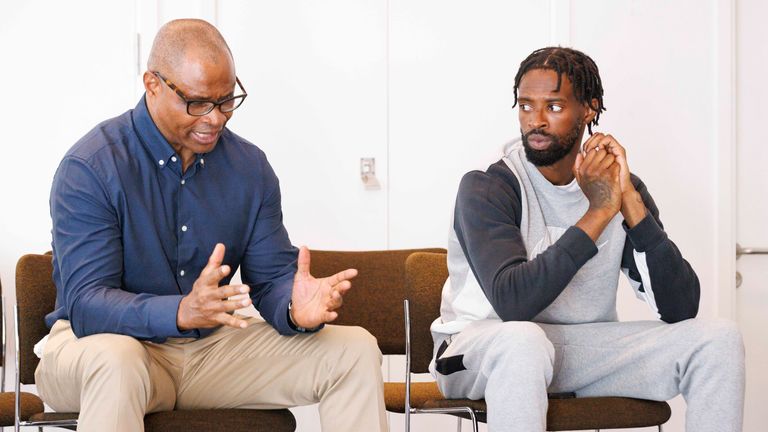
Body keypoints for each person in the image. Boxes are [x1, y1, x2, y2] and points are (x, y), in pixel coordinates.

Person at [38, 19, 387, 432]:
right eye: (199, 102)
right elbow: (87, 305)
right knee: (118, 361)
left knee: (355, 350)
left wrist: (294, 309)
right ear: (152, 84)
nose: (216, 118)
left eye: (226, 101)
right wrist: (181, 311)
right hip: (97, 350)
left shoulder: (249, 168)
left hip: (207, 353)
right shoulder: (92, 167)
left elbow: (270, 278)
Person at [430, 47, 745, 432]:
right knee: (523, 341)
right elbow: (514, 302)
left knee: (717, 339)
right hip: (480, 348)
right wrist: (597, 213)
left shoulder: (615, 189)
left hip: (577, 349)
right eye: (526, 107)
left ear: (589, 109)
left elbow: (681, 308)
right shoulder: (489, 185)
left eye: (554, 107)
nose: (536, 121)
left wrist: (628, 201)